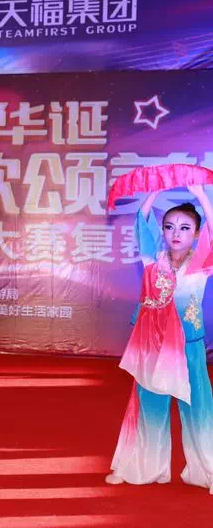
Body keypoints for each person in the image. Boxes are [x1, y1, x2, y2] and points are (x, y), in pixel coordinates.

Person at [106, 186, 213, 492]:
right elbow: (141, 221)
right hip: (154, 345)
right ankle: (137, 468)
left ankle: (208, 471)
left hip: (189, 347)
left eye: (185, 228)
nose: (176, 233)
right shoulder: (153, 259)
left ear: (197, 233)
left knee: (199, 409)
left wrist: (201, 195)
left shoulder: (201, 263)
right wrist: (153, 191)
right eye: (169, 226)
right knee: (148, 406)